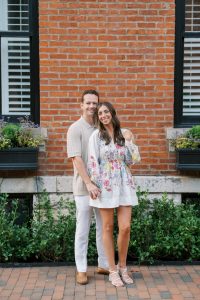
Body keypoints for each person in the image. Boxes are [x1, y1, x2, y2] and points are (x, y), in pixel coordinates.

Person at [87, 102, 141, 287]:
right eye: (100, 113)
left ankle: (123, 267)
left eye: (106, 111)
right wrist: (94, 185)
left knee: (125, 227)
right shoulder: (96, 136)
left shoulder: (122, 132)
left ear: (112, 113)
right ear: (98, 117)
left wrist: (129, 141)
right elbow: (93, 161)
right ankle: (112, 270)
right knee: (108, 227)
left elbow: (132, 160)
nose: (103, 115)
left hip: (124, 183)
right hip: (106, 184)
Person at [67, 90, 109, 285]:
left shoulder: (101, 127)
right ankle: (81, 269)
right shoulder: (75, 129)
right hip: (84, 188)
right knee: (83, 229)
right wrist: (89, 183)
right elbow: (76, 159)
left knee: (103, 228)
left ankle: (103, 264)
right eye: (88, 103)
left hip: (102, 188)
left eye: (95, 103)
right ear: (81, 105)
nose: (92, 106)